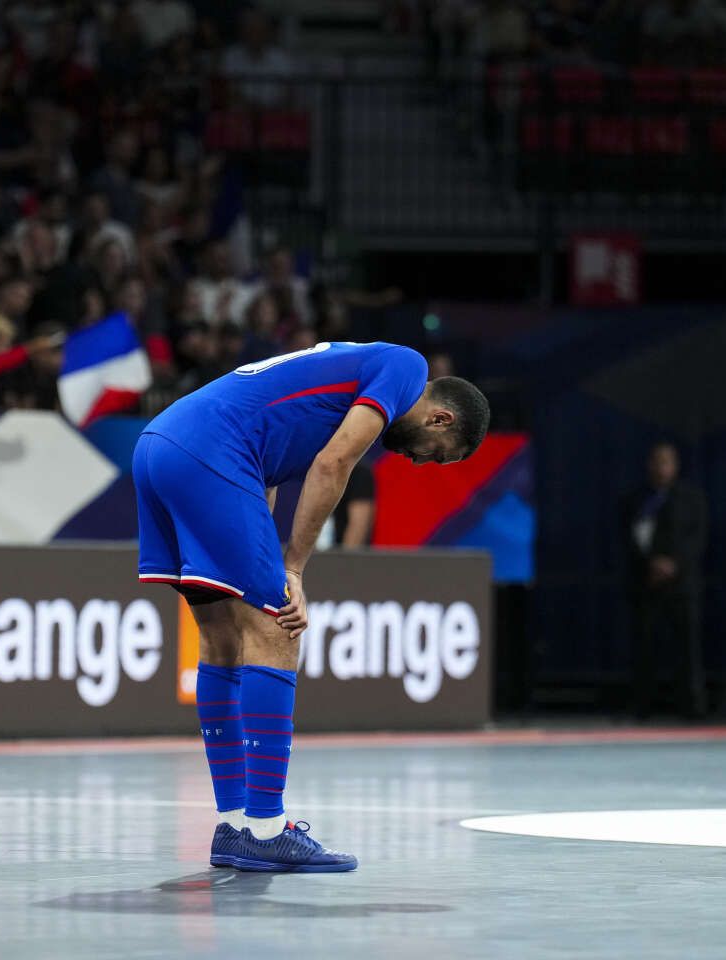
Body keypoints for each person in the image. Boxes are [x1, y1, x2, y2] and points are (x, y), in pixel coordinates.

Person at [134, 341, 489, 871]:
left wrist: (272, 559)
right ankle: (269, 829)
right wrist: (293, 569)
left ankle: (235, 825)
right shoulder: (405, 367)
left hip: (161, 444)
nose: (420, 462)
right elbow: (334, 463)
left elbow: (267, 477)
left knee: (223, 640)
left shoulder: (346, 377)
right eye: (436, 452)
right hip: (211, 451)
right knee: (278, 630)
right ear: (440, 416)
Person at [622, 442, 708, 718]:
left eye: (666, 462)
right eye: (656, 462)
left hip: (681, 586)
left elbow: (697, 539)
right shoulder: (636, 500)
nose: (661, 468)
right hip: (647, 584)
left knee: (687, 650)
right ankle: (642, 707)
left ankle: (692, 708)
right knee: (645, 647)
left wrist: (675, 565)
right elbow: (628, 538)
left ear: (675, 466)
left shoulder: (691, 500)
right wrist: (651, 564)